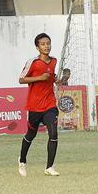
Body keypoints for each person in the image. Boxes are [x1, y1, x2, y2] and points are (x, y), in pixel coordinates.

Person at [17, 33, 60, 177]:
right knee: (31, 134)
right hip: (34, 106)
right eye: (43, 44)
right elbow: (21, 80)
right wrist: (40, 78)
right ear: (37, 47)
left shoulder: (54, 61)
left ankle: (50, 167)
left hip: (50, 104)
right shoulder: (33, 62)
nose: (46, 46)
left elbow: (52, 77)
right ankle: (22, 161)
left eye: (48, 43)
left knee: (53, 133)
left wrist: (58, 80)